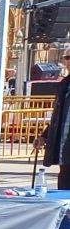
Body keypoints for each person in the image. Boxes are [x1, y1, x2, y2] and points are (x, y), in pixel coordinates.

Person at [40, 60, 70, 189]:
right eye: (67, 57)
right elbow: (59, 115)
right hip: (66, 147)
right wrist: (45, 136)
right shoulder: (65, 83)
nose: (69, 60)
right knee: (65, 181)